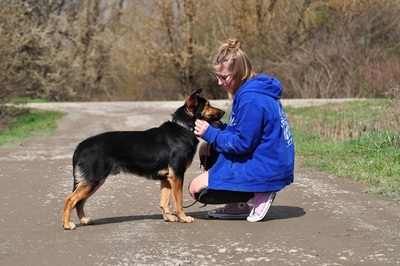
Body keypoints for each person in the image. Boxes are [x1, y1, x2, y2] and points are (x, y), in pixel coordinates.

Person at [188, 39, 295, 222]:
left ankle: (259, 191)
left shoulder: (251, 99)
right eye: (218, 77)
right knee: (206, 148)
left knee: (197, 189)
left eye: (224, 77)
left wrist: (210, 133)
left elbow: (242, 144)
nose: (220, 83)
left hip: (267, 167)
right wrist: (217, 128)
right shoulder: (254, 90)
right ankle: (238, 205)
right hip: (269, 160)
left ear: (239, 73)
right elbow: (245, 132)